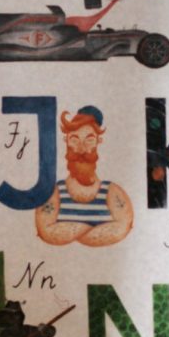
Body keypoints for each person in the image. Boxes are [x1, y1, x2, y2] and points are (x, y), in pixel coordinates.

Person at [34, 105, 134, 247]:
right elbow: (46, 231)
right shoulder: (54, 192)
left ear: (99, 141)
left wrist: (68, 230)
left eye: (89, 140)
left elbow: (122, 227)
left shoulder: (112, 192)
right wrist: (95, 228)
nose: (81, 149)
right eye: (74, 139)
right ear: (66, 141)